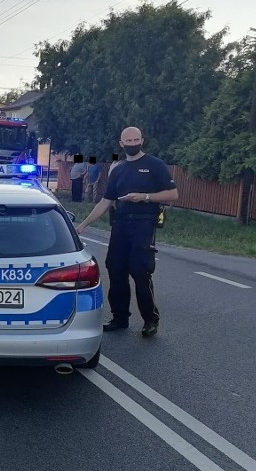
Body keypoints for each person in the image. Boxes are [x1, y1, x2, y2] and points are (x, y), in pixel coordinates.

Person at [75, 127, 178, 338]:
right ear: (121, 144)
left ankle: (150, 320)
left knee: (140, 271)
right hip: (120, 225)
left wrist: (145, 197)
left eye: (136, 139)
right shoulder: (118, 169)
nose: (133, 143)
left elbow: (173, 194)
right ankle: (119, 317)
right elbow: (106, 201)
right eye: (128, 140)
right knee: (115, 269)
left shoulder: (154, 165)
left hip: (143, 224)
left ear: (142, 140)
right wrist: (84, 224)